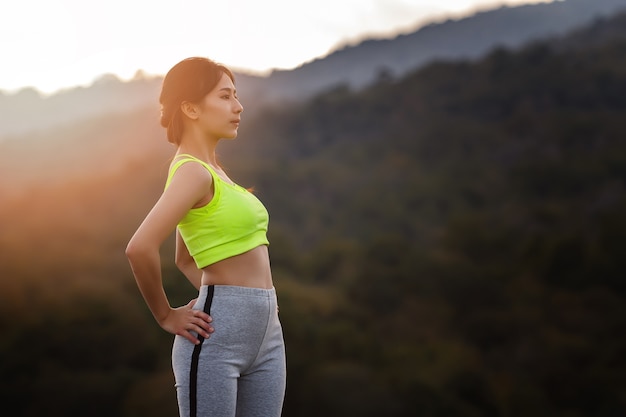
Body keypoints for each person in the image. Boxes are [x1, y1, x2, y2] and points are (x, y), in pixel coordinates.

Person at [125, 57, 286, 417]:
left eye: (236, 96)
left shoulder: (215, 174)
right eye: (226, 96)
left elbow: (185, 258)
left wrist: (248, 303)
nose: (238, 106)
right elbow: (139, 248)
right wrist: (167, 316)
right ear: (190, 108)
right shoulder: (192, 174)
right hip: (217, 338)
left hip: (266, 334)